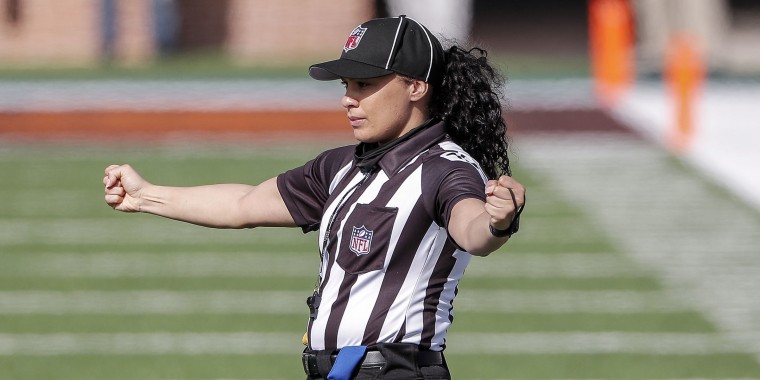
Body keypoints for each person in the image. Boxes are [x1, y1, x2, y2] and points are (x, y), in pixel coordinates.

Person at [103, 15, 525, 380]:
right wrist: (147, 197)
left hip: (397, 370)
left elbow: (472, 230)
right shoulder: (342, 165)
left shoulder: (445, 167)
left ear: (415, 86)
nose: (348, 98)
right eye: (346, 84)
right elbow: (244, 204)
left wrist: (498, 221)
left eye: (365, 84)